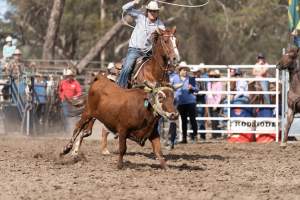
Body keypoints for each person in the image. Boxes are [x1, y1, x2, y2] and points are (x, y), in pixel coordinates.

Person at [117, 0, 165, 88]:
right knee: (127, 68)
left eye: (155, 11)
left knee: (161, 67)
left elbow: (163, 37)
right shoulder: (140, 17)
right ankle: (120, 87)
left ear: (158, 12)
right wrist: (134, 2)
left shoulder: (160, 25)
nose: (153, 13)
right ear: (147, 11)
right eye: (151, 11)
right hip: (135, 50)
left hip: (149, 53)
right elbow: (124, 8)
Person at [172, 61, 198, 144]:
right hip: (180, 102)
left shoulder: (191, 79)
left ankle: (195, 136)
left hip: (190, 102)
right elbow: (170, 87)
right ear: (179, 71)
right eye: (183, 70)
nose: (185, 71)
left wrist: (192, 88)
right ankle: (184, 138)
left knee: (192, 119)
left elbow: (197, 90)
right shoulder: (174, 78)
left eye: (186, 70)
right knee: (183, 120)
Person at [58, 68, 82, 134]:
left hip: (73, 102)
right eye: (67, 76)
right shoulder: (62, 83)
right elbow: (59, 91)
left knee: (75, 115)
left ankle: (75, 127)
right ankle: (67, 130)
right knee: (66, 115)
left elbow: (79, 91)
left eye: (70, 76)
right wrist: (62, 97)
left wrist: (76, 96)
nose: (68, 77)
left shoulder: (76, 83)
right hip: (65, 101)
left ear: (72, 76)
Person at [207, 69, 223, 139]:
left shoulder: (218, 83)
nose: (212, 77)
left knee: (215, 119)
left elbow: (219, 96)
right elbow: (208, 94)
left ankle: (217, 134)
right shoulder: (208, 84)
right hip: (210, 103)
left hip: (215, 103)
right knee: (212, 119)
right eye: (210, 76)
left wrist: (216, 105)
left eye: (214, 76)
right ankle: (214, 134)